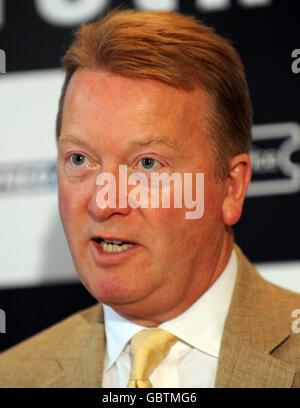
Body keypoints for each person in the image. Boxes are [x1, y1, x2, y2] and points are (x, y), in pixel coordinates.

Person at [1, 8, 299, 388]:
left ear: (231, 187)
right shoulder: (14, 377)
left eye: (147, 164)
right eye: (80, 159)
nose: (104, 202)